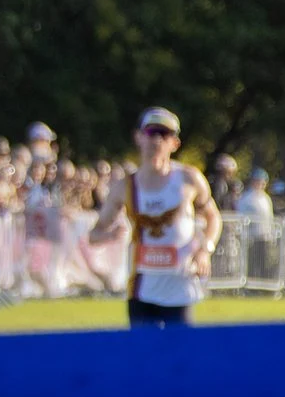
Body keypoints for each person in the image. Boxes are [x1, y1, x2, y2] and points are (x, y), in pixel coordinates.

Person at [87, 107, 220, 327]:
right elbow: (94, 235)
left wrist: (205, 249)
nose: (156, 140)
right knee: (144, 359)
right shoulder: (125, 187)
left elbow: (213, 218)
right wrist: (111, 234)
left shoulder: (189, 179)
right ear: (138, 137)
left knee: (182, 358)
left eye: (164, 134)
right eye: (151, 132)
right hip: (142, 291)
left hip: (180, 288)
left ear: (175, 143)